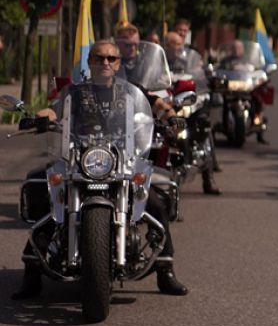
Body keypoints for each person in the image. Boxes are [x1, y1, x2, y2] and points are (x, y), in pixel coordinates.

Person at [12, 40, 188, 299]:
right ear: (90, 61)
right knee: (46, 191)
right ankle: (32, 271)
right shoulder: (75, 92)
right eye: (99, 58)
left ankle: (165, 270)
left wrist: (172, 119)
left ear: (118, 64)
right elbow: (55, 109)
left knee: (155, 200)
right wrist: (40, 117)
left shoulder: (130, 91)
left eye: (111, 59)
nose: (105, 63)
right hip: (81, 157)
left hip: (122, 159)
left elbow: (156, 104)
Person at [165, 31, 221, 195]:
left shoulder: (190, 60)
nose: (176, 48)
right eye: (172, 45)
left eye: (178, 45)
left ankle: (208, 178)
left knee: (204, 130)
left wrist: (201, 79)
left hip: (187, 104)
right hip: (168, 104)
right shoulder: (159, 62)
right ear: (165, 46)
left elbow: (200, 79)